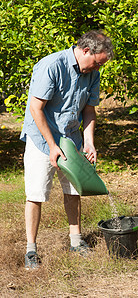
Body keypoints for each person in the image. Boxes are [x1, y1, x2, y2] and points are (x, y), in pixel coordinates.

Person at [20, 30, 114, 269]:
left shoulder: (93, 73)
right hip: (42, 138)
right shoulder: (51, 66)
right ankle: (31, 249)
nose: (95, 69)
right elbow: (36, 109)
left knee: (74, 190)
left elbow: (89, 111)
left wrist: (89, 141)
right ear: (85, 51)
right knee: (36, 193)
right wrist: (52, 147)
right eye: (95, 63)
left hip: (71, 138)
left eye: (99, 66)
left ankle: (76, 241)